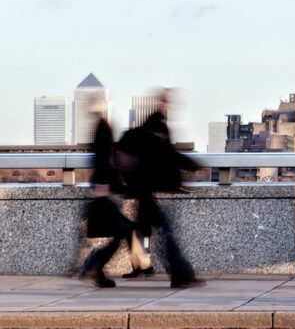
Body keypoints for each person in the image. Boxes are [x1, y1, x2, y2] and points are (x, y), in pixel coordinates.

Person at [118, 89, 204, 289]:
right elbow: (169, 156)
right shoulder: (157, 133)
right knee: (165, 233)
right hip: (147, 191)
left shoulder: (149, 131)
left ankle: (168, 271)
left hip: (144, 191)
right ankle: (180, 275)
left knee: (156, 232)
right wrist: (193, 165)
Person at [79, 102, 132, 288]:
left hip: (105, 188)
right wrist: (105, 185)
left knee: (122, 231)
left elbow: (100, 157)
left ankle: (95, 268)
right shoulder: (103, 127)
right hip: (106, 190)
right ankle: (94, 266)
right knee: (122, 231)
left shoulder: (100, 127)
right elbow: (103, 158)